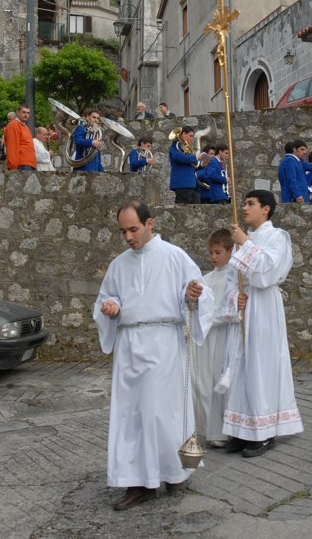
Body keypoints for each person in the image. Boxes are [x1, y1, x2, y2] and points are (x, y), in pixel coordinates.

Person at [93, 200, 213, 511]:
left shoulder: (174, 256)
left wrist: (191, 295)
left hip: (163, 344)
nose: (128, 237)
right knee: (132, 416)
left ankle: (174, 472)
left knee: (162, 412)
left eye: (133, 229)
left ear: (150, 224)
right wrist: (111, 307)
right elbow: (107, 297)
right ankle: (138, 483)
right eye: (123, 231)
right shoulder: (119, 264)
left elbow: (197, 290)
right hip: (130, 345)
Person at [222, 190, 303, 457]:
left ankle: (264, 432)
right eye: (244, 204)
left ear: (266, 209)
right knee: (242, 366)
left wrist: (244, 242)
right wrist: (235, 298)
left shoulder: (277, 237)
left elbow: (268, 271)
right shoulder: (244, 240)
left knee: (262, 365)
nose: (244, 209)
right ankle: (242, 429)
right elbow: (232, 278)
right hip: (248, 306)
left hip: (265, 307)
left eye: (250, 204)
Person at [197, 228, 240, 449]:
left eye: (218, 252)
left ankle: (229, 428)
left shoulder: (237, 276)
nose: (214, 257)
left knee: (226, 379)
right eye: (211, 252)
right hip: (208, 336)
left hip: (225, 334)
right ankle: (212, 430)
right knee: (206, 382)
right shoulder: (205, 280)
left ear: (230, 251)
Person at [169, 126, 202, 204]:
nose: (192, 138)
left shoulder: (186, 147)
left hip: (191, 183)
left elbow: (195, 164)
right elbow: (176, 157)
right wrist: (195, 157)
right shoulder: (176, 144)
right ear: (183, 134)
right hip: (183, 182)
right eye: (190, 136)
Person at [5, 104, 36, 171]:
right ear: (17, 112)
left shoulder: (25, 126)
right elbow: (12, 147)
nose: (26, 115)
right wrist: (13, 167)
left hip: (29, 164)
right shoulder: (13, 125)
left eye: (28, 113)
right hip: (21, 165)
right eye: (23, 112)